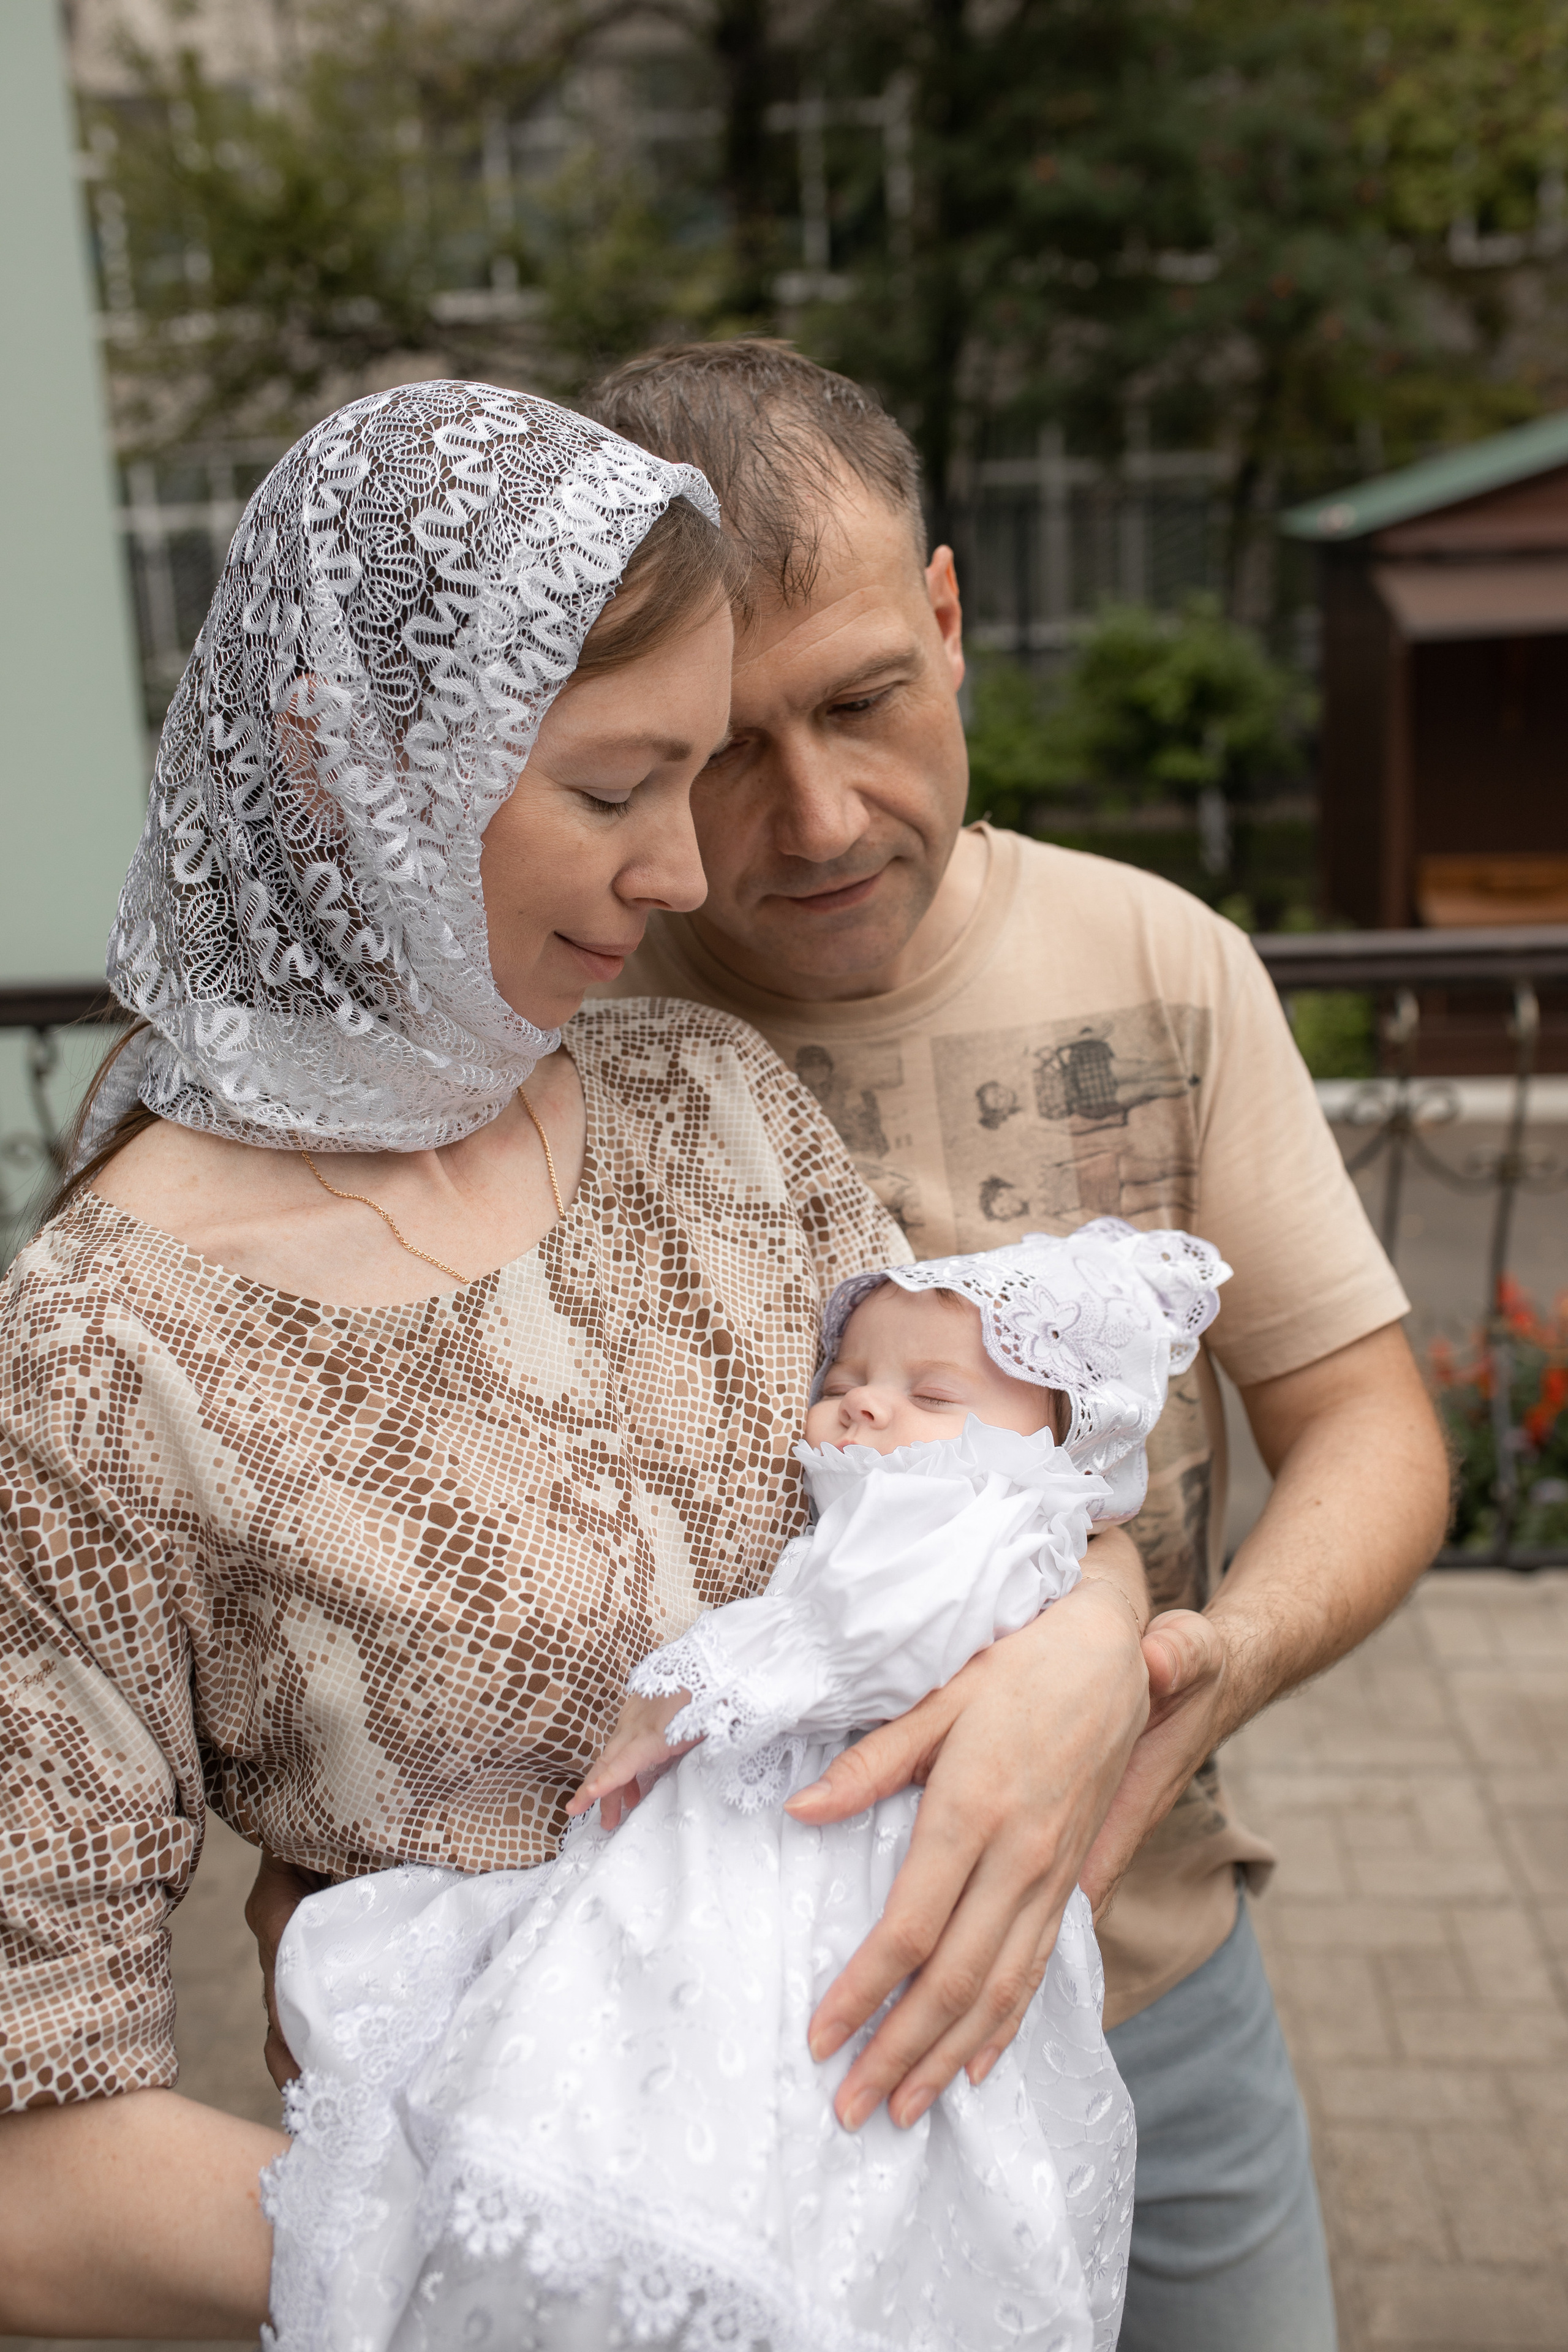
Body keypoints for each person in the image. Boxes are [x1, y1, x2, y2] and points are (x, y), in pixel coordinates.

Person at [0, 378, 945, 2337]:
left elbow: (994, 1467)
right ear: (339, 763)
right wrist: (562, 2268)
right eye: (614, 790)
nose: (685, 872)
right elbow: (30, 2160)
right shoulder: (97, 1353)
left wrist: (1093, 1669)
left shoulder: (708, 1105)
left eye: (688, 782)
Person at [559, 340, 1449, 2352]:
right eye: (722, 746)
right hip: (744, 2069)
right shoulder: (570, 1048)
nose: (815, 815)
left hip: (1153, 1987)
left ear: (950, 621)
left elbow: (1372, 1428)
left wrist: (1199, 1665)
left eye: (868, 699)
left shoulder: (1162, 962)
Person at [265, 1218, 1219, 2352]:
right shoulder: (941, 1501)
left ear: (1057, 1443)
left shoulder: (978, 1516)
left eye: (933, 1393)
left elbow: (872, 1629)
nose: (865, 1406)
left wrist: (689, 1689)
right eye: (849, 1377)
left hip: (851, 1851)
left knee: (737, 2015)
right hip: (838, 1833)